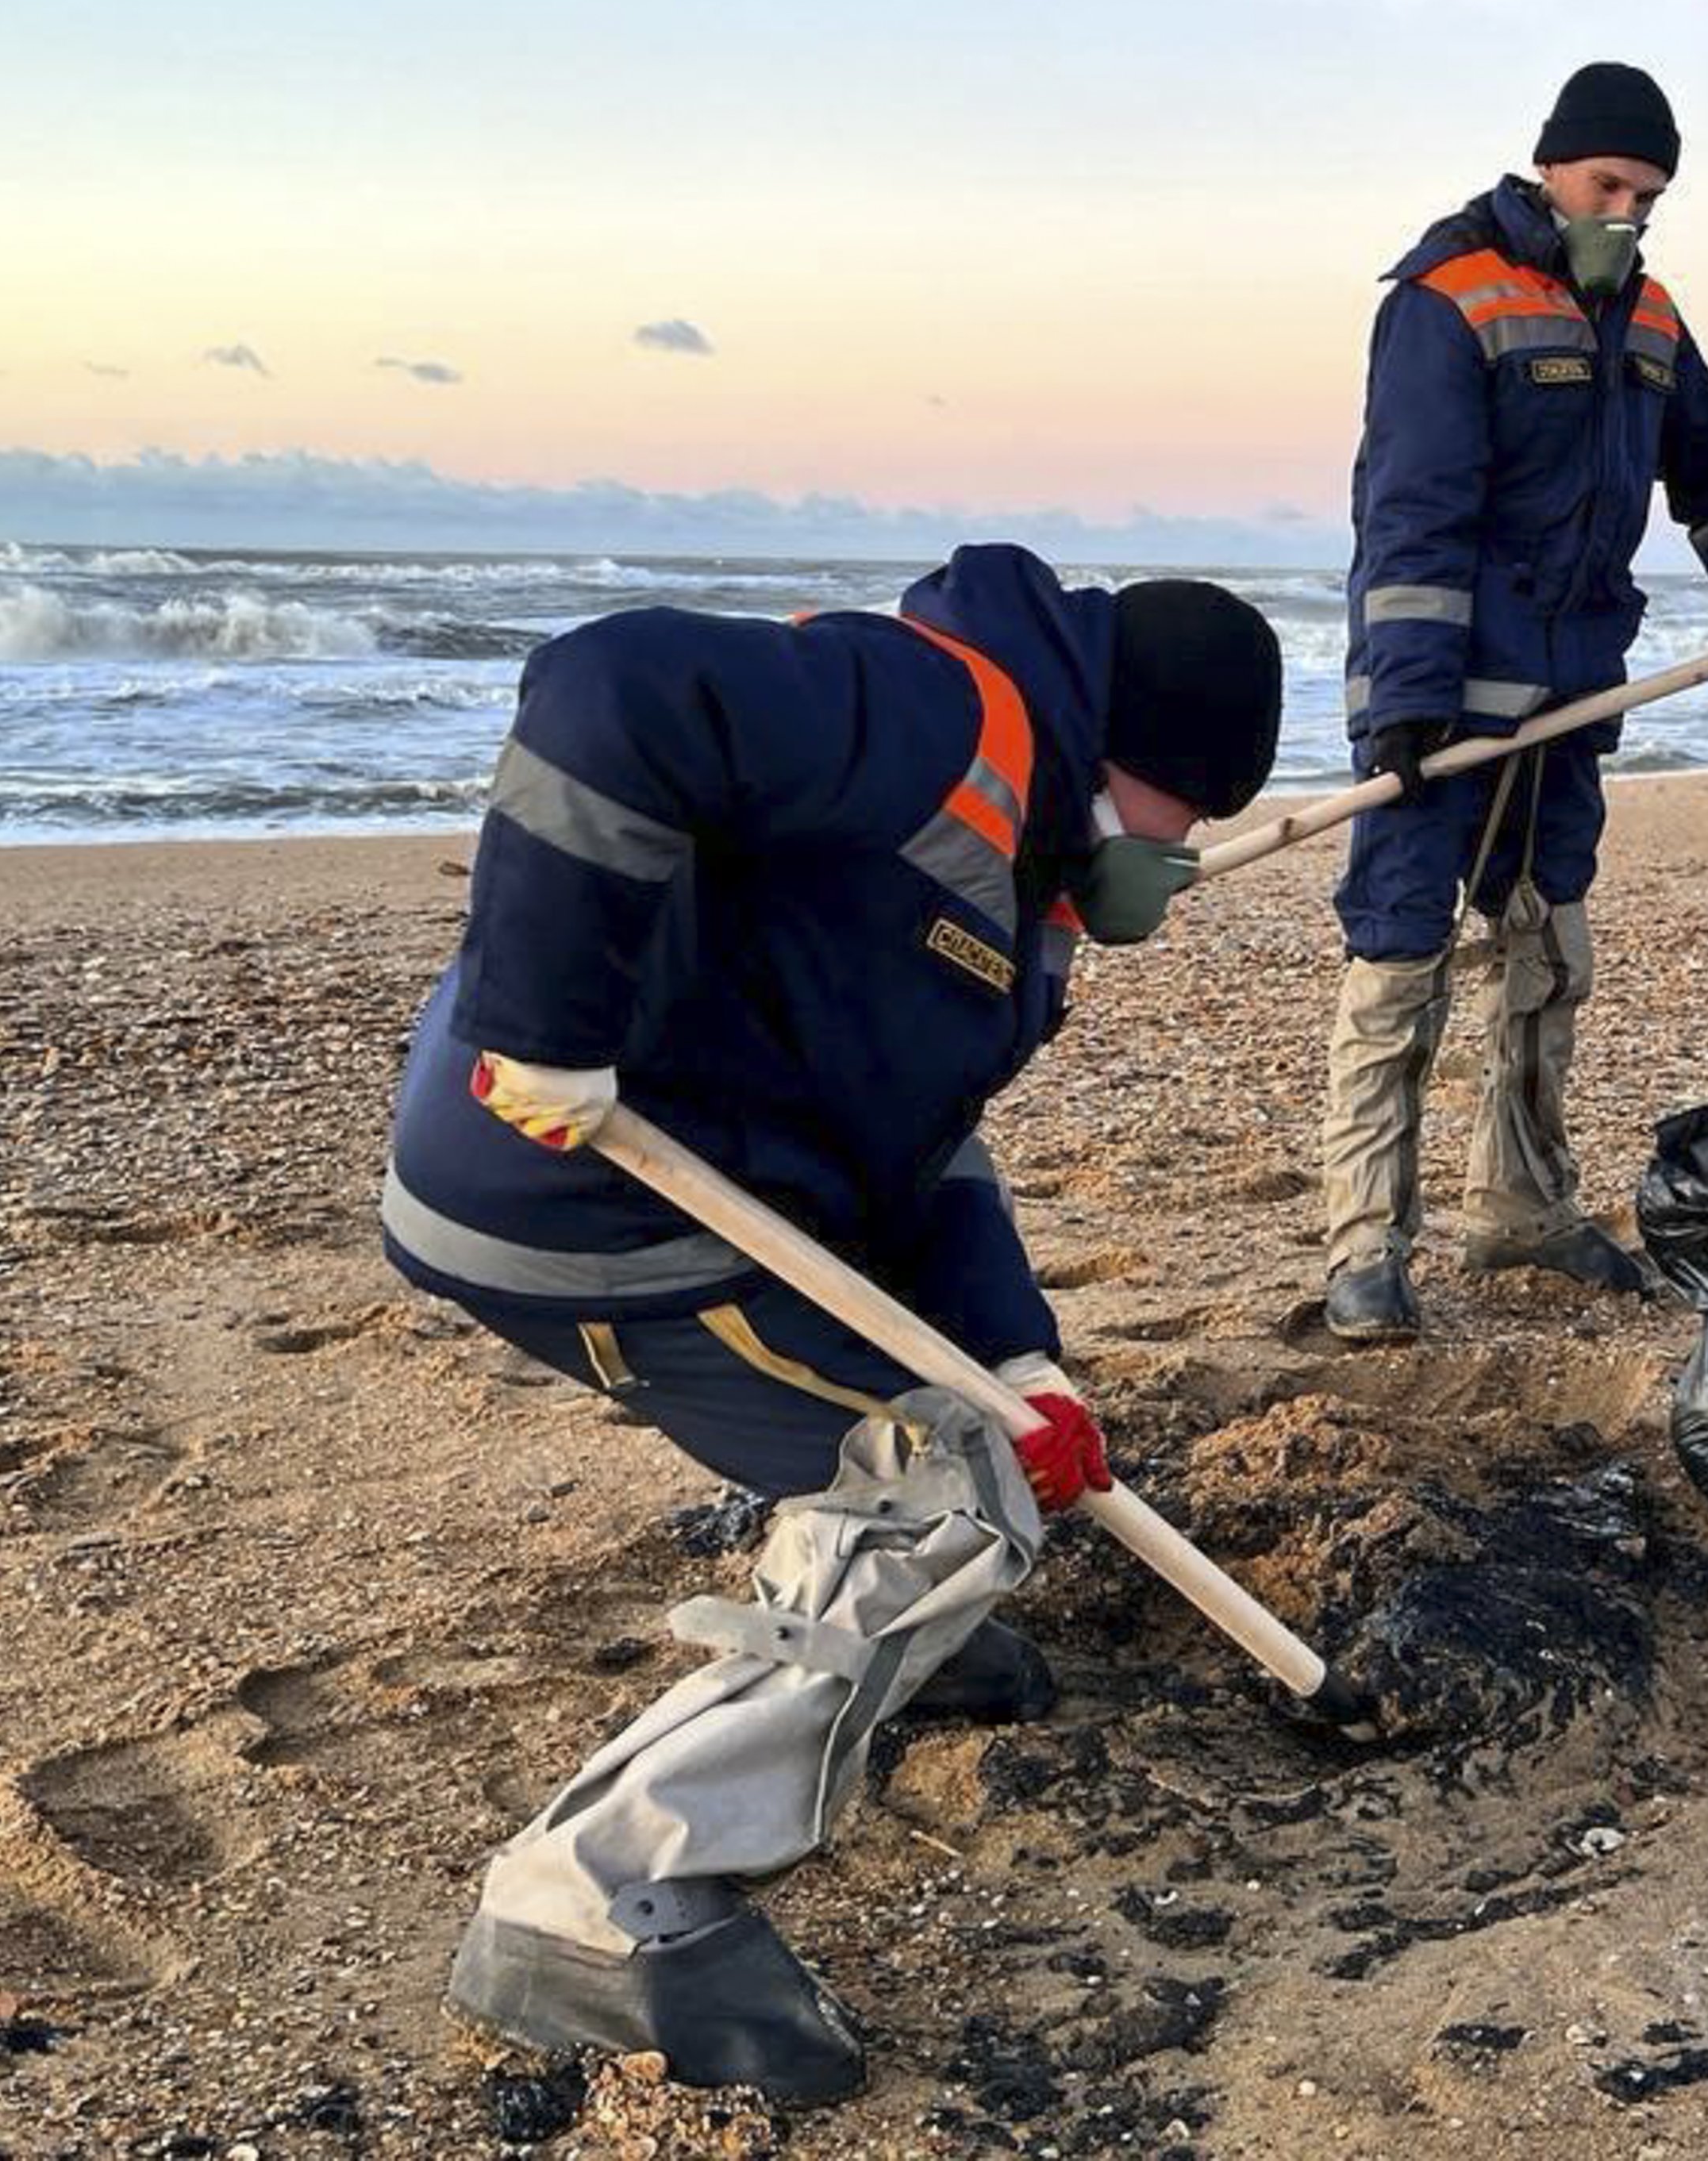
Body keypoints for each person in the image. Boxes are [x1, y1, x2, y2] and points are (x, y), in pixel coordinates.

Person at [379, 544, 1281, 2094]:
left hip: (738, 1211)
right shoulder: (929, 713)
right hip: (589, 1197)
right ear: (1130, 752)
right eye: (1180, 819)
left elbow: (924, 1152)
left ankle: (894, 1631)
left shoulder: (1023, 892)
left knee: (983, 1448)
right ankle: (586, 1892)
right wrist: (549, 1024)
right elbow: (607, 691)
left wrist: (1017, 1356)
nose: (1178, 859)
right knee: (943, 1491)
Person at [1319, 60, 1708, 1343]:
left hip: (1574, 695)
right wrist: (1408, 701)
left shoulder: (1650, 319)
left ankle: (1521, 1207)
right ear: (1553, 167)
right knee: (1401, 953)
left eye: (1650, 196)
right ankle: (1366, 1246)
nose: (1629, 213)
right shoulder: (1448, 297)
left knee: (1545, 948)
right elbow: (1410, 512)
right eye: (1610, 186)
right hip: (1447, 697)